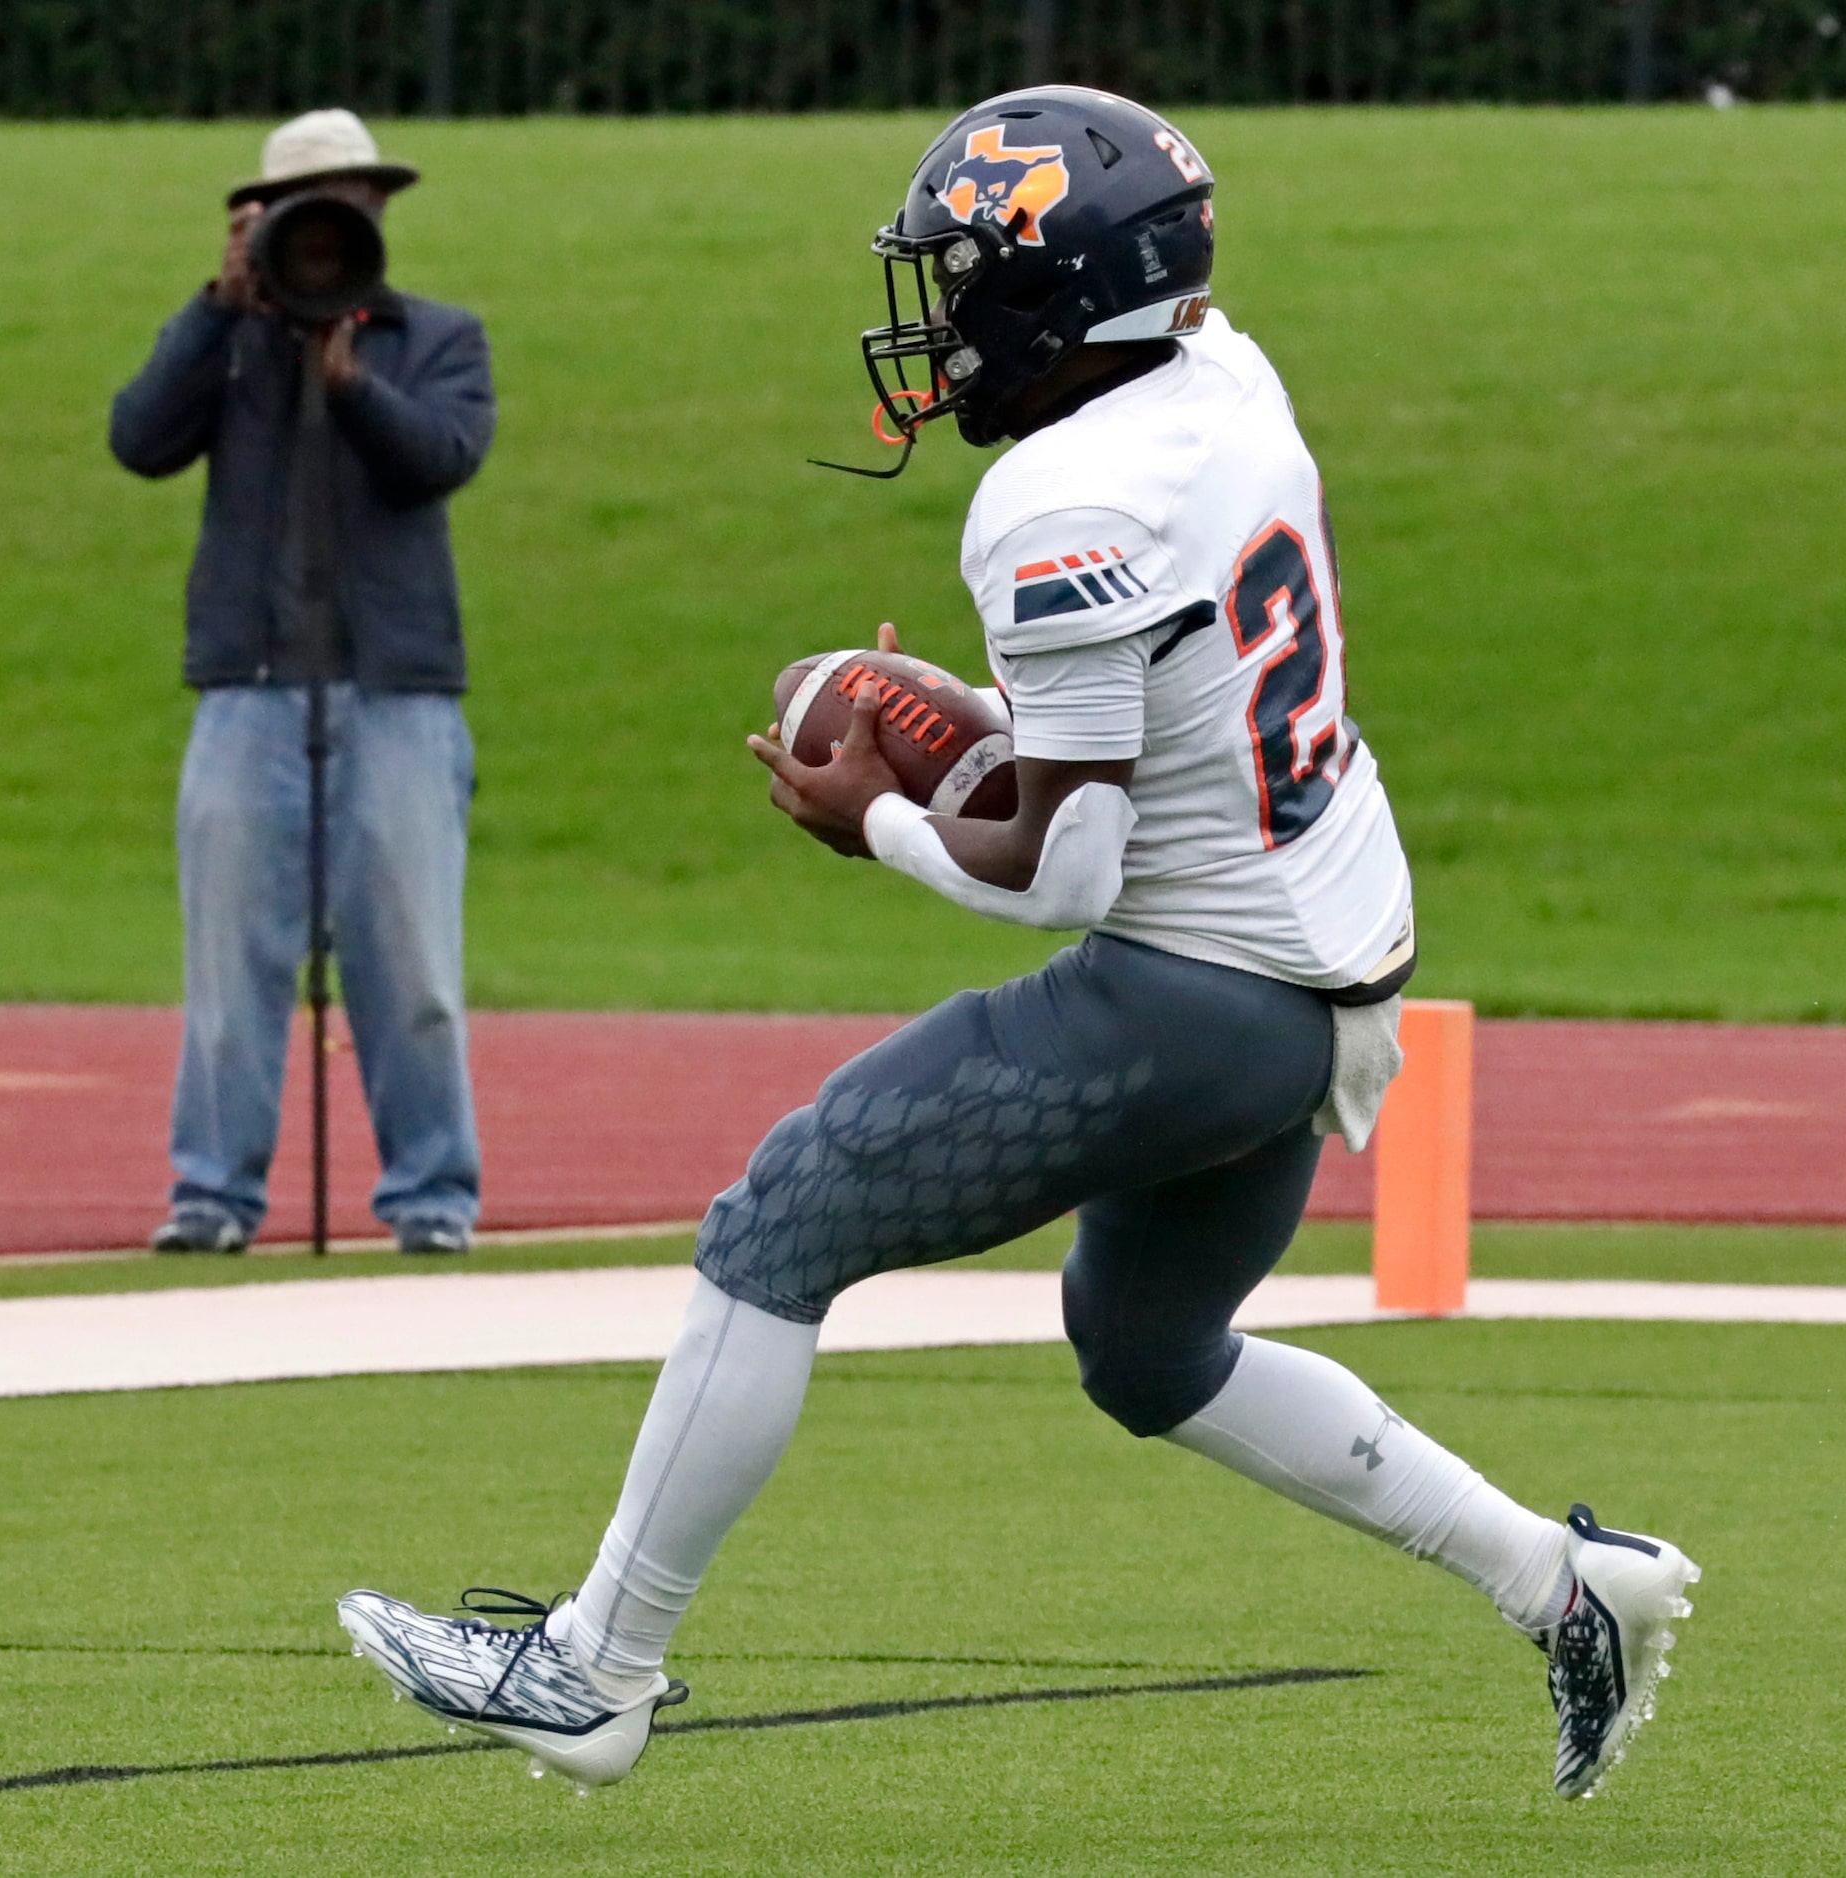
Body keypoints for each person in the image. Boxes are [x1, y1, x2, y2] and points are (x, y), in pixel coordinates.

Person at [338, 90, 1697, 1798]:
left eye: (971, 280)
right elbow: (1149, 720)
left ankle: (598, 1663)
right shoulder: (1219, 376)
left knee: (780, 1215)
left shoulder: (1061, 503)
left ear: (1063, 297)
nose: (943, 321)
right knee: (1146, 1351)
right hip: (1324, 964)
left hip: (1199, 985)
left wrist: (879, 816)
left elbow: (1063, 861)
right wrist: (988, 727)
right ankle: (1557, 1580)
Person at [109, 109, 494, 1257]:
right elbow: (139, 439)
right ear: (260, 221)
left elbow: (444, 457)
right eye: (306, 209)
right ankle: (211, 1198)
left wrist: (351, 380)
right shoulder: (225, 340)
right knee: (231, 961)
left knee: (412, 962)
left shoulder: (434, 336)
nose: (334, 227)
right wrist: (216, 308)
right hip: (248, 681)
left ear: (380, 209)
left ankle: (432, 1201)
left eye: (354, 203)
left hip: (397, 687)